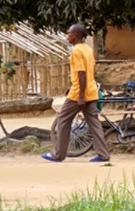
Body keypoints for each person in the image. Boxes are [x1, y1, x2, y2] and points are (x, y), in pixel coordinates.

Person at [43, 24, 111, 164]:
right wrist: (73, 86)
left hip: (79, 95)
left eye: (69, 33)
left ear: (76, 35)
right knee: (94, 123)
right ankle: (104, 154)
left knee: (62, 121)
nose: (68, 35)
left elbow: (81, 73)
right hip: (91, 91)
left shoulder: (76, 51)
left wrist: (80, 96)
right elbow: (88, 71)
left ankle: (59, 154)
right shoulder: (87, 49)